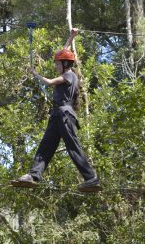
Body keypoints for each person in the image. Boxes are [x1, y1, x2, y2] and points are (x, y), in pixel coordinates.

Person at [15, 28, 100, 191]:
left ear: (65, 64)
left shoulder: (69, 75)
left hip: (65, 115)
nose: (55, 66)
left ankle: (91, 178)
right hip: (57, 115)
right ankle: (33, 175)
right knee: (46, 145)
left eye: (57, 63)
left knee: (72, 146)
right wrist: (71, 36)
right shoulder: (68, 69)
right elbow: (65, 52)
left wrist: (35, 74)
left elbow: (49, 82)